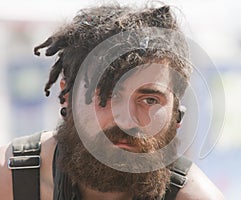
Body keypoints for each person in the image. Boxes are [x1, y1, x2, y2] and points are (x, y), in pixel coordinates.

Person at [0, 3, 224, 200]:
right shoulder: (7, 182)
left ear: (176, 116)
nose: (126, 120)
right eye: (108, 95)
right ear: (67, 97)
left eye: (149, 99)